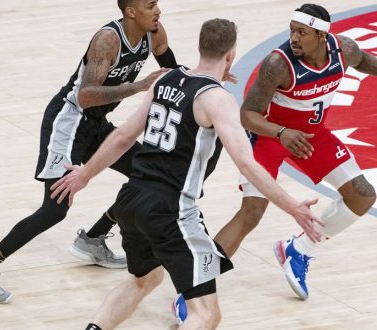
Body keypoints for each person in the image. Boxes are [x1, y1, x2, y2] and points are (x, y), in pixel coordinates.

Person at [50, 18, 323, 329]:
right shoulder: (218, 99)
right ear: (231, 54)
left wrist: (85, 174)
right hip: (172, 210)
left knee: (144, 279)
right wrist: (293, 208)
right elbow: (247, 165)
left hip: (130, 200)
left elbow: (125, 136)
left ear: (199, 47)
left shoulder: (165, 80)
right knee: (206, 314)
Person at [171, 3, 377, 320]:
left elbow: (362, 59)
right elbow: (247, 115)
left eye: (302, 32)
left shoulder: (343, 50)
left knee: (363, 195)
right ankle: (194, 291)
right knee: (250, 215)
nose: (294, 38)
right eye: (292, 30)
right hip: (270, 136)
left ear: (322, 36)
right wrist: (281, 132)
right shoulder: (278, 64)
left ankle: (297, 250)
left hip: (313, 136)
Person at [0, 0, 179, 304]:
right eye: (150, 5)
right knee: (55, 208)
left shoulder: (153, 31)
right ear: (131, 11)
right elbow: (85, 95)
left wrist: (205, 78)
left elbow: (170, 65)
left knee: (148, 174)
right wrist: (138, 87)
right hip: (69, 122)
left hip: (97, 123)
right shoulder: (109, 40)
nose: (158, 11)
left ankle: (93, 238)